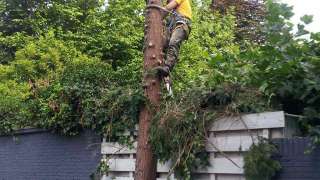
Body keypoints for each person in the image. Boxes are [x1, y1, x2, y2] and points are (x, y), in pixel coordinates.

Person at [154, 0, 192, 77]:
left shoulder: (176, 2)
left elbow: (167, 8)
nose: (168, 2)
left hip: (181, 23)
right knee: (162, 45)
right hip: (172, 25)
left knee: (173, 42)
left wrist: (155, 16)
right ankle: (160, 65)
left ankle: (167, 67)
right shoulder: (174, 12)